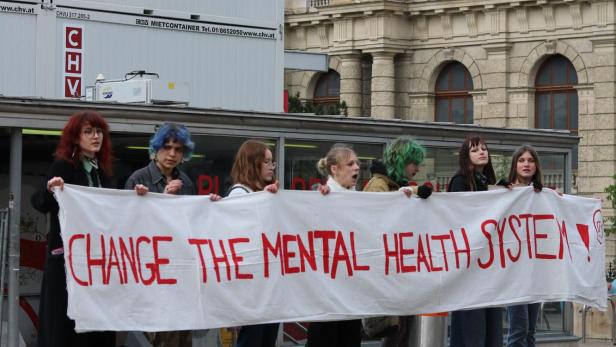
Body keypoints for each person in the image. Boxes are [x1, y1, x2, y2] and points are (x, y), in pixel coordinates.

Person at [125, 123, 221, 347]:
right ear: (155, 149)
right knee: (155, 338)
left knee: (181, 337)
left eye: (178, 149)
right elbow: (129, 229)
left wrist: (210, 207)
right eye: (167, 147)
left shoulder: (186, 182)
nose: (172, 153)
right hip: (151, 276)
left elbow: (192, 226)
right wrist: (163, 200)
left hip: (179, 273)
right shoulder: (138, 180)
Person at [31, 110, 116, 347]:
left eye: (99, 131)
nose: (95, 136)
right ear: (75, 137)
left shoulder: (105, 172)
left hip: (98, 263)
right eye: (88, 131)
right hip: (67, 262)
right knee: (65, 326)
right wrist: (50, 188)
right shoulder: (63, 166)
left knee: (97, 325)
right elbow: (39, 203)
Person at [362, 138, 431, 347]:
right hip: (389, 271)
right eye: (413, 163)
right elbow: (377, 220)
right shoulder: (378, 186)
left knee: (402, 333)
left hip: (400, 270)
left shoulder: (396, 185)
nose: (417, 169)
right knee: (396, 332)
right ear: (401, 161)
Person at [305, 144, 362, 347]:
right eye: (350, 163)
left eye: (357, 163)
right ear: (334, 169)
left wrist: (404, 197)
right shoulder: (318, 196)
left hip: (352, 295)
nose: (356, 167)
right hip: (326, 295)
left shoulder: (362, 200)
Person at [448, 135, 502, 347]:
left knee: (491, 327)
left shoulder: (488, 183)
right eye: (475, 150)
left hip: (489, 266)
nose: (482, 152)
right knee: (471, 327)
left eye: (484, 149)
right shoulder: (460, 181)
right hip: (469, 266)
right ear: (466, 156)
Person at [227, 139, 279, 347]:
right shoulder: (240, 194)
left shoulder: (264, 193)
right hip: (251, 291)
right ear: (252, 163)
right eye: (266, 162)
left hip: (267, 289)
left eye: (272, 162)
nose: (271, 167)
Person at [504, 145, 543, 347]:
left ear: (536, 165)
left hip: (535, 271)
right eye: (521, 160)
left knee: (529, 331)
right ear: (515, 165)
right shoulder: (504, 191)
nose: (526, 164)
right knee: (519, 329)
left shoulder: (543, 195)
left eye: (530, 160)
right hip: (513, 271)